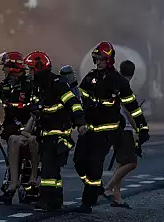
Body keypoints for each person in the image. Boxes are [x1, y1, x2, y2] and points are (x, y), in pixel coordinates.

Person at [74, 42, 150, 213]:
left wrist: (143, 127)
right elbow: (78, 101)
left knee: (94, 164)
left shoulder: (119, 81)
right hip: (88, 128)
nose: (98, 62)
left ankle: (88, 202)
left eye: (101, 59)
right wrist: (79, 122)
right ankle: (96, 187)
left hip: (106, 131)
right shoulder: (90, 77)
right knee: (79, 162)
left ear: (109, 60)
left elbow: (133, 107)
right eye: (96, 59)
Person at [24, 51, 88, 211]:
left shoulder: (57, 83)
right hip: (45, 133)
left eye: (30, 69)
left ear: (38, 68)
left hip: (59, 133)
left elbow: (73, 103)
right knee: (53, 170)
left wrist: (80, 122)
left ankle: (45, 199)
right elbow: (35, 105)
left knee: (48, 168)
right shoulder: (37, 87)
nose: (28, 73)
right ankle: (56, 199)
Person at [0, 52, 40, 204]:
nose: (3, 70)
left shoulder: (30, 86)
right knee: (13, 140)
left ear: (13, 68)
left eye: (5, 67)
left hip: (31, 128)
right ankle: (13, 183)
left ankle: (32, 180)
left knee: (32, 141)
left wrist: (28, 129)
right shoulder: (4, 87)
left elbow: (36, 111)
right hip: (12, 128)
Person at [102, 60, 146, 209]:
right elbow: (129, 111)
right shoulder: (125, 87)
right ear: (132, 74)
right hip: (124, 129)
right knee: (131, 163)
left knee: (120, 163)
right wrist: (138, 128)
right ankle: (107, 188)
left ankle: (117, 198)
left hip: (114, 128)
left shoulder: (113, 84)